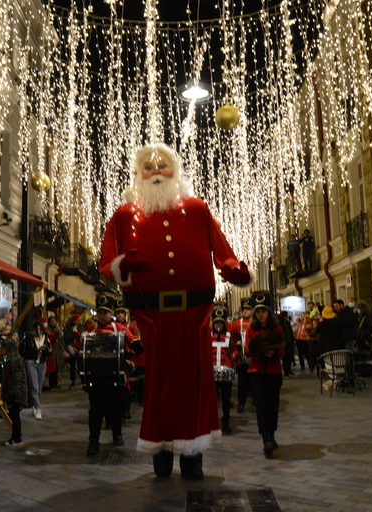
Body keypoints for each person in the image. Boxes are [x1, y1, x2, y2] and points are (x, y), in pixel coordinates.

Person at [99, 142, 252, 480]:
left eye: (163, 165)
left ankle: (192, 454)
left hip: (195, 312)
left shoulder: (197, 209)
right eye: (148, 167)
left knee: (195, 380)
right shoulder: (125, 215)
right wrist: (124, 265)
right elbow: (106, 264)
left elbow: (221, 251)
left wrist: (233, 269)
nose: (155, 172)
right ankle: (162, 452)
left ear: (176, 170)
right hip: (150, 316)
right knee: (159, 381)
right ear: (139, 174)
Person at [83, 294, 139, 456]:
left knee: (115, 409)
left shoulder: (119, 329)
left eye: (105, 312)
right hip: (95, 378)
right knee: (95, 411)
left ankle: (117, 434)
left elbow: (132, 340)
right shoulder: (90, 331)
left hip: (114, 378)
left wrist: (138, 347)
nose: (102, 315)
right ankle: (93, 441)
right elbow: (81, 348)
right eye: (100, 312)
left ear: (111, 313)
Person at [244, 291, 285, 457]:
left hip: (274, 372)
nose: (261, 315)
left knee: (273, 404)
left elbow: (282, 351)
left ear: (269, 311)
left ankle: (272, 434)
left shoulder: (277, 329)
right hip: (257, 372)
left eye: (263, 311)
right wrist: (261, 353)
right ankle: (265, 439)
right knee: (261, 406)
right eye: (258, 312)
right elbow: (247, 351)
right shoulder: (251, 330)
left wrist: (273, 353)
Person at [211, 306, 238, 433]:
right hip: (211, 370)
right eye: (216, 323)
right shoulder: (208, 336)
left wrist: (234, 355)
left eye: (220, 323)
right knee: (211, 399)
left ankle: (226, 420)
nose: (218, 325)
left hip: (225, 369)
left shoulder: (228, 336)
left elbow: (234, 350)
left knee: (226, 398)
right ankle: (212, 422)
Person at [0, 335, 27, 447]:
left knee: (14, 416)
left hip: (13, 393)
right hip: (19, 392)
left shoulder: (11, 361)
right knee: (15, 415)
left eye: (3, 348)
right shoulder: (18, 358)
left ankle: (16, 438)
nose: (2, 350)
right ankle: (16, 437)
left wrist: (3, 391)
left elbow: (7, 378)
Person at [20, 321, 51, 420]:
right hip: (31, 362)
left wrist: (44, 350)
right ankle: (38, 408)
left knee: (39, 386)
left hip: (42, 362)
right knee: (34, 386)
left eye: (39, 328)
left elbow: (50, 350)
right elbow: (23, 351)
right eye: (36, 328)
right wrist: (36, 350)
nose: (38, 330)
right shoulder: (28, 338)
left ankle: (34, 405)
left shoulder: (45, 337)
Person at [230, 298, 254, 413]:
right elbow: (230, 339)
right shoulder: (236, 324)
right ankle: (241, 403)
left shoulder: (255, 323)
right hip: (242, 358)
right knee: (242, 382)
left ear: (252, 310)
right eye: (243, 309)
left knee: (255, 381)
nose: (245, 311)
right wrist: (235, 348)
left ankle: (256, 401)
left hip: (254, 358)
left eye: (248, 309)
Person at [45, 314, 62, 390]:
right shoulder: (48, 330)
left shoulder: (57, 329)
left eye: (54, 320)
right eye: (51, 321)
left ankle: (55, 383)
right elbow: (53, 338)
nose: (53, 322)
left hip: (57, 349)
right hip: (52, 349)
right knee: (53, 367)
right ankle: (52, 383)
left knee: (56, 367)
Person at [278, 311, 296, 377]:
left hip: (289, 342)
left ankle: (289, 370)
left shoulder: (287, 323)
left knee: (289, 357)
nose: (286, 317)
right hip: (284, 342)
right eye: (286, 315)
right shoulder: (280, 323)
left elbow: (290, 331)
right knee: (285, 358)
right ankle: (286, 371)